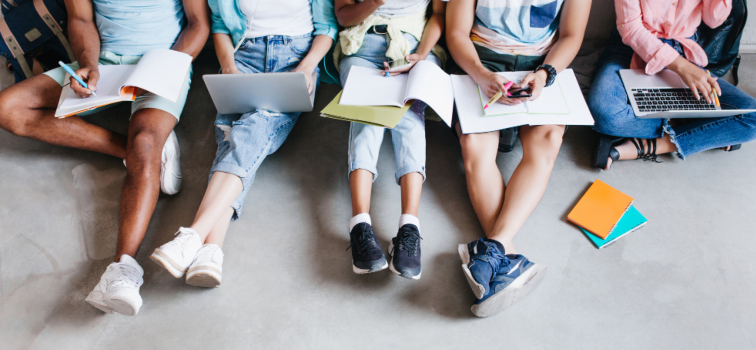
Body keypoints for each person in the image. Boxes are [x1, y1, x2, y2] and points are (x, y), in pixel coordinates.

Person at [0, 0, 209, 316]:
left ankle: (122, 270)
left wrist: (169, 66)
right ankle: (139, 154)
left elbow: (198, 24)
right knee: (8, 108)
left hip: (165, 62)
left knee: (146, 144)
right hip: (107, 64)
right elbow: (81, 19)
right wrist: (89, 64)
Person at [150, 0, 337, 290]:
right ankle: (210, 252)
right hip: (242, 58)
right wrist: (228, 67)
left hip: (295, 58)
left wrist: (306, 67)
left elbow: (327, 27)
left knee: (252, 131)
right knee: (230, 138)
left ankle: (194, 235)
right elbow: (221, 26)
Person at [445, 0, 591, 317]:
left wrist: (545, 74)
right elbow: (456, 33)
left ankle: (493, 249)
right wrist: (482, 75)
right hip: (480, 60)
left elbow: (571, 35)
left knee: (549, 139)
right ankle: (506, 254)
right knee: (475, 143)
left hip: (543, 63)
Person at [334, 0, 446, 279]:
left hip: (413, 46)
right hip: (362, 45)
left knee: (410, 119)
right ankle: (360, 224)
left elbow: (439, 14)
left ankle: (409, 227)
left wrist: (420, 54)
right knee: (367, 120)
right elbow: (343, 16)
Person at [588, 0, 756, 170]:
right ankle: (707, 130)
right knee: (606, 115)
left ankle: (649, 146)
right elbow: (630, 28)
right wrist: (682, 67)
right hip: (629, 48)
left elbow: (714, 20)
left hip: (682, 50)